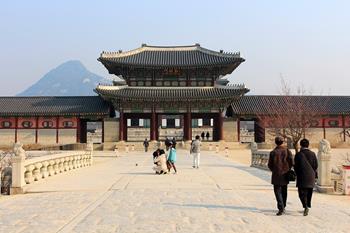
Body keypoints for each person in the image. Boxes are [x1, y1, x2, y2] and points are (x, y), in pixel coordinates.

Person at [268, 136, 293, 216]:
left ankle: (280, 207)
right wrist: (288, 169)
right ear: (282, 142)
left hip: (276, 174)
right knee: (284, 191)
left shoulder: (273, 152)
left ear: (276, 142)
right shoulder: (287, 151)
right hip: (285, 174)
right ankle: (284, 205)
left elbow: (269, 165)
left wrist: (275, 170)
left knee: (277, 191)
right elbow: (291, 161)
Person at [294, 138, 318, 216]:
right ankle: (307, 205)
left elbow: (295, 166)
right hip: (311, 176)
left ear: (301, 145)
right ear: (308, 145)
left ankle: (305, 206)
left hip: (301, 176)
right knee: (309, 192)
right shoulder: (313, 154)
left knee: (301, 193)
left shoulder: (298, 154)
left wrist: (297, 174)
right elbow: (316, 165)